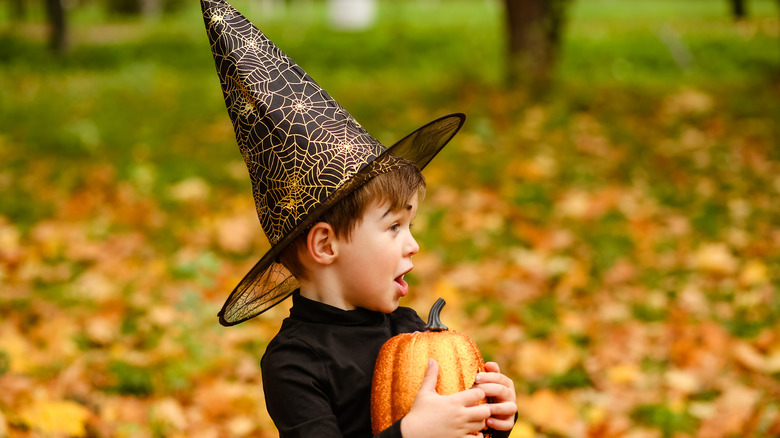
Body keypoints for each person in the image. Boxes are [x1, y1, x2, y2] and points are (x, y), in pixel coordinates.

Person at [199, 1, 517, 437]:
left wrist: (491, 419)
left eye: (410, 226)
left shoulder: (411, 331)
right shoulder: (294, 363)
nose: (413, 244)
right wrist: (411, 434)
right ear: (326, 245)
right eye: (393, 227)